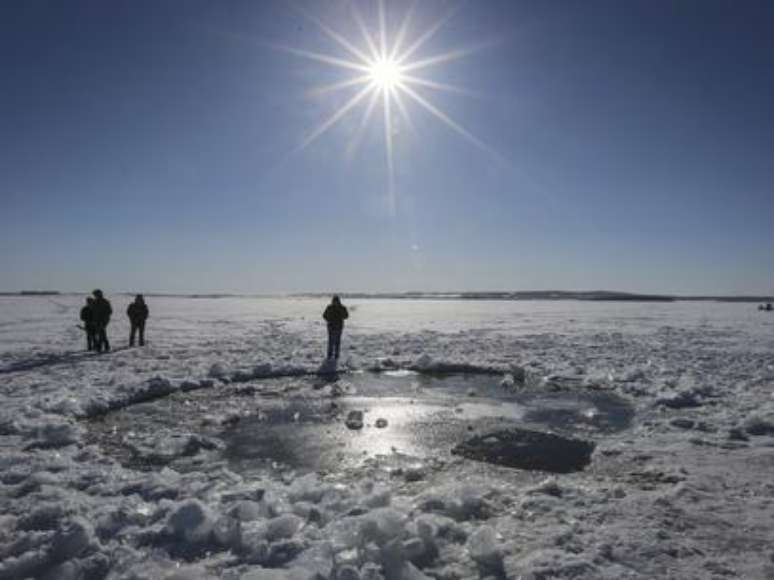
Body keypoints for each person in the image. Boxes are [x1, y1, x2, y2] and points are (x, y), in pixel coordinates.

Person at [322, 295, 349, 359]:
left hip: (339, 327)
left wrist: (341, 312)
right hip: (331, 327)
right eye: (334, 301)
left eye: (336, 301)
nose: (335, 302)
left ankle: (336, 355)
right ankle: (329, 355)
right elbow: (324, 315)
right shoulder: (329, 307)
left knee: (337, 342)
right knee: (331, 342)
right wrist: (329, 320)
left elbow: (346, 316)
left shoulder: (342, 307)